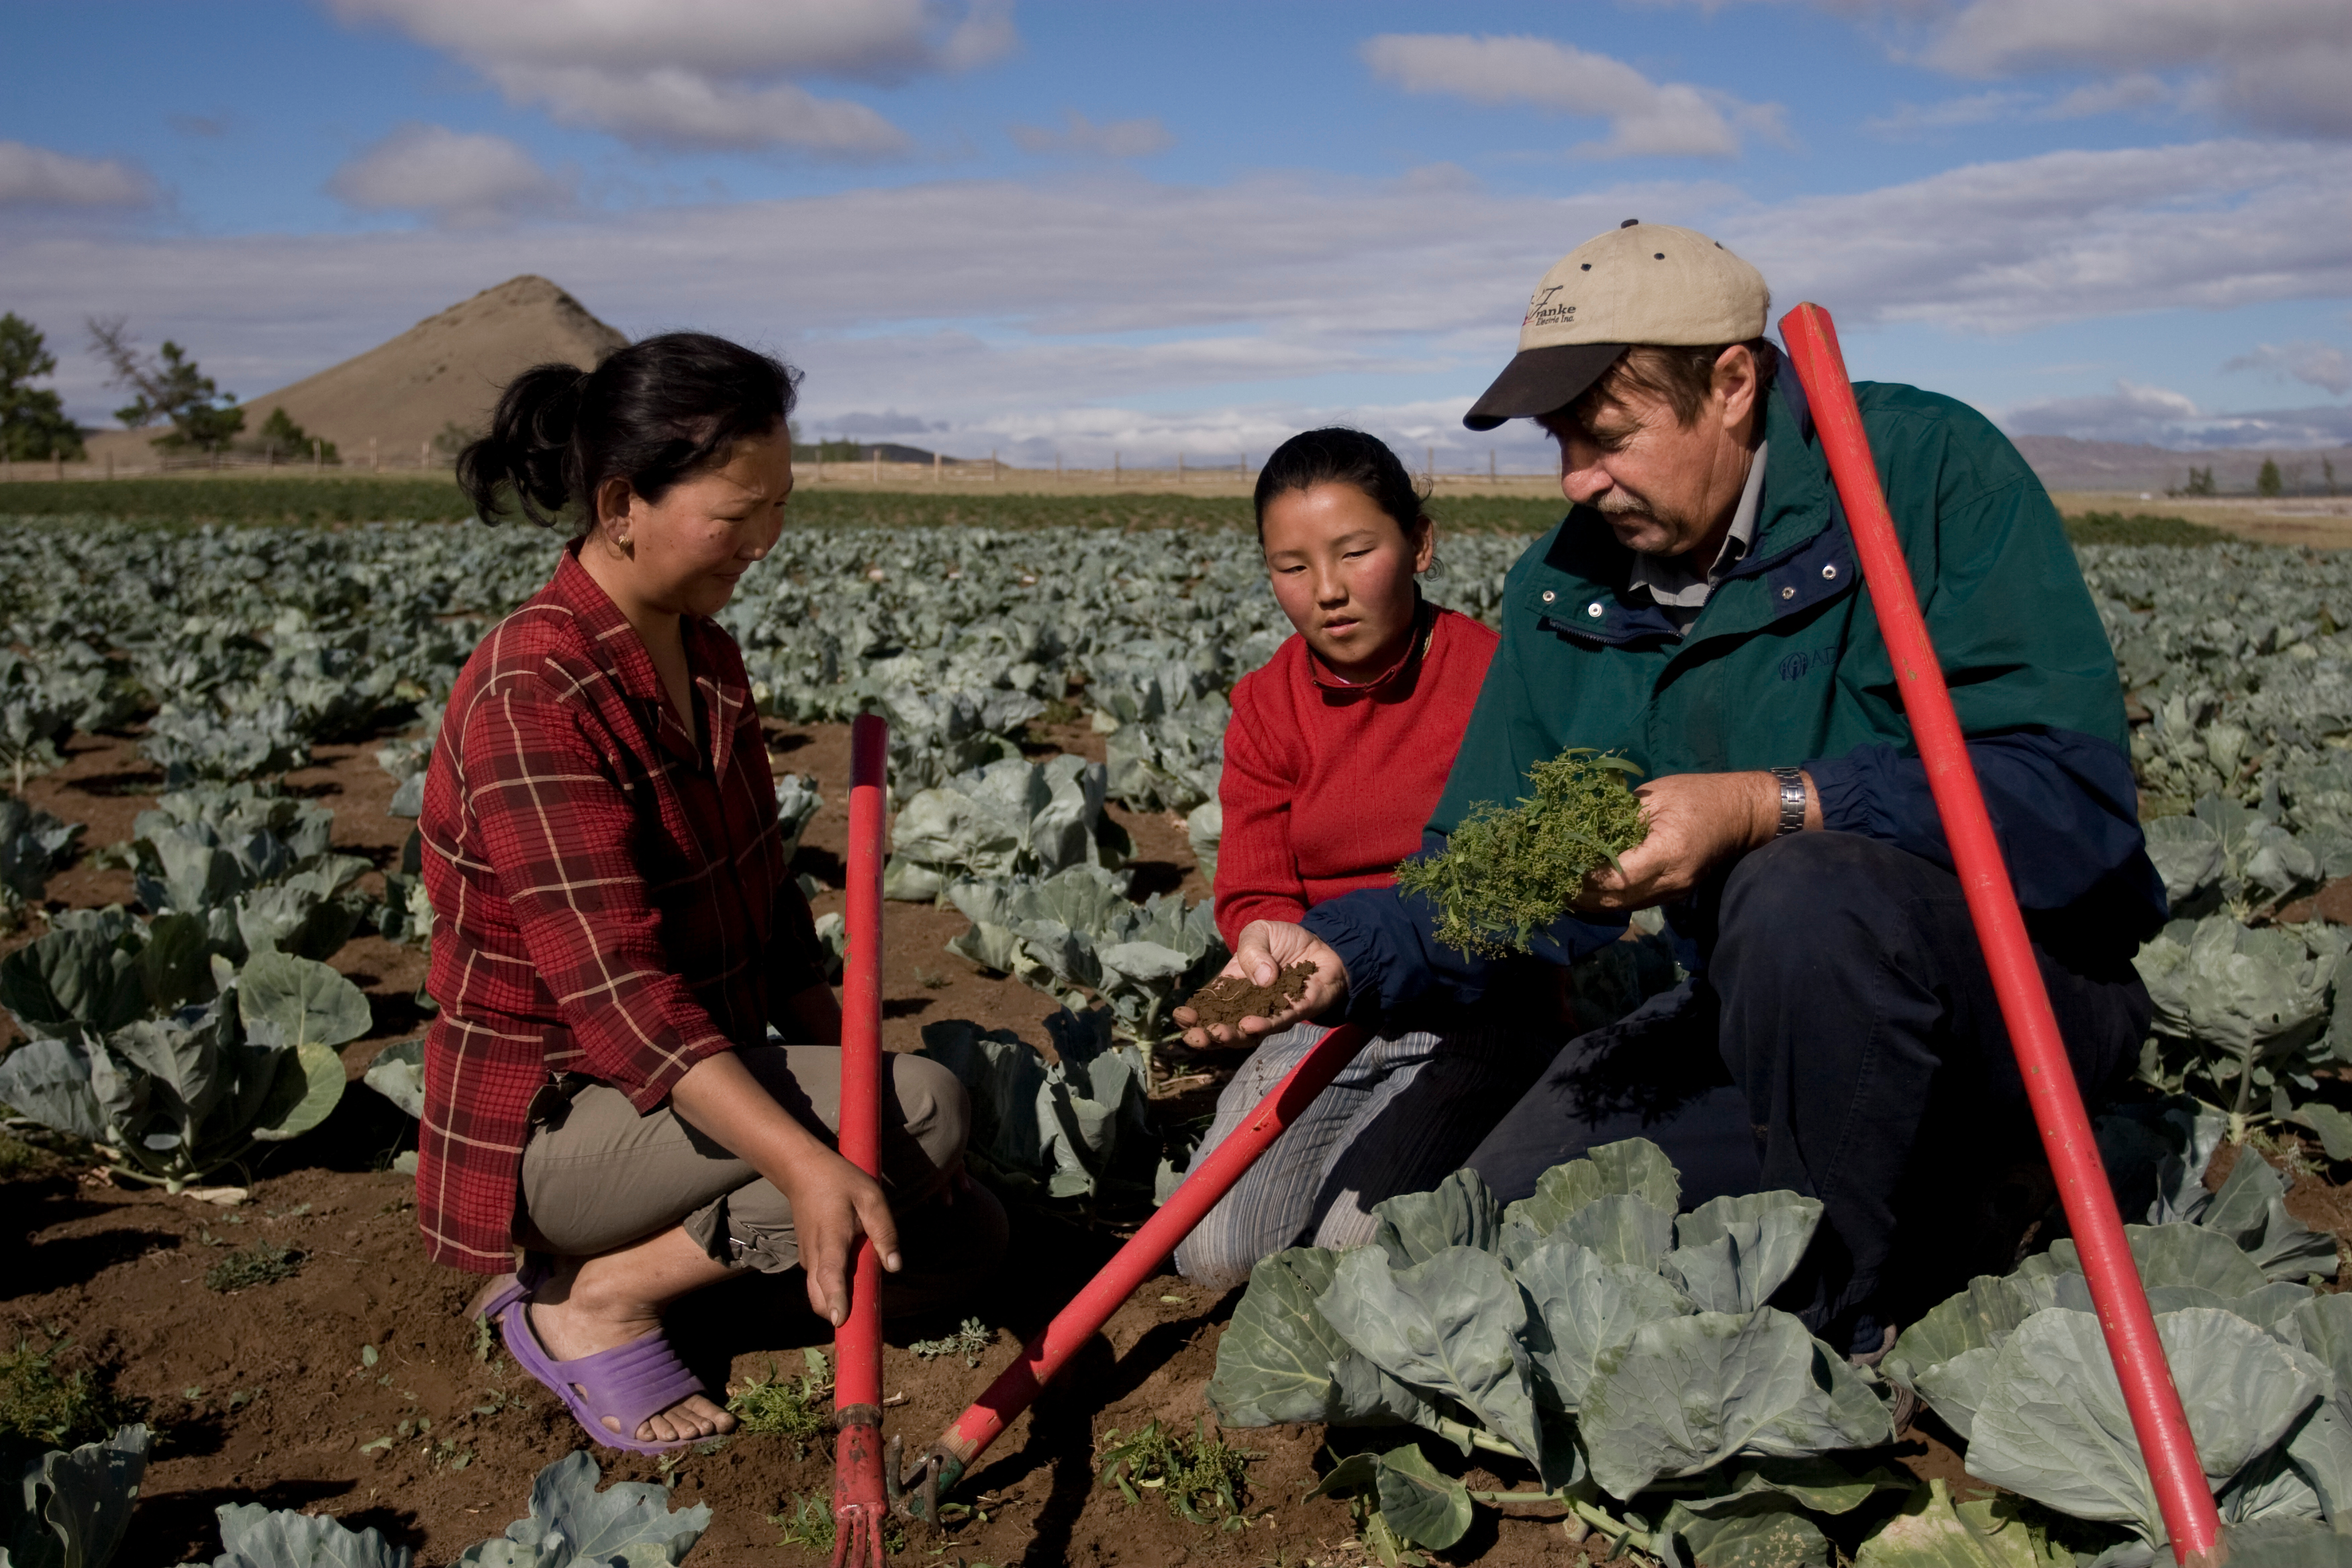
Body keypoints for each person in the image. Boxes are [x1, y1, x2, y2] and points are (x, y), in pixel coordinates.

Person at [1179, 222, 2160, 1354]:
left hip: (2015, 991)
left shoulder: (1925, 472)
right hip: (1748, 1012)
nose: (1577, 480)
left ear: (1733, 383)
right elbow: (1483, 866)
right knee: (1505, 1223)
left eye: (1607, 436)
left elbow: (2071, 801)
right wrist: (1348, 949)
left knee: (1801, 895)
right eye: (1561, 442)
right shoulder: (1572, 583)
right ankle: (1934, 1198)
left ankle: (1833, 1331)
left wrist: (1769, 804)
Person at [416, 332, 1004, 1455]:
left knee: (967, 1236)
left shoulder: (705, 652)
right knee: (922, 1115)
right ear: (623, 502)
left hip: (695, 1080)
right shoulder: (532, 688)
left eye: (780, 508)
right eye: (738, 515)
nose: (766, 542)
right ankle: (590, 1301)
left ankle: (636, 1276)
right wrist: (819, 1148)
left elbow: (769, 903)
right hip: (570, 1111)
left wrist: (854, 1085)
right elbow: (621, 997)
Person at [1173, 427, 1554, 1293]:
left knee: (1352, 1253)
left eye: (1356, 552)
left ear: (1419, 543)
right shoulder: (1268, 705)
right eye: (1293, 566)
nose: (1328, 591)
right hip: (1320, 1012)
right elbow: (1259, 888)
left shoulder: (1495, 680)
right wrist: (1265, 951)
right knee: (1215, 1255)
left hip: (1475, 1012)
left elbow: (1514, 894)